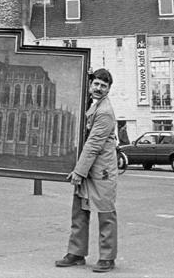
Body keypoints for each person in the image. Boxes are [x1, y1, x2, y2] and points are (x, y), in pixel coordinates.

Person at [56, 68, 118, 273]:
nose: (98, 88)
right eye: (96, 84)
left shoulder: (105, 112)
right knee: (79, 211)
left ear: (109, 89)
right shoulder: (91, 104)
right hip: (86, 166)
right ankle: (76, 253)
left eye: (103, 86)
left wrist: (78, 172)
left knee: (105, 212)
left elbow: (93, 144)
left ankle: (107, 258)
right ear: (90, 85)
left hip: (101, 170)